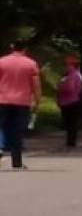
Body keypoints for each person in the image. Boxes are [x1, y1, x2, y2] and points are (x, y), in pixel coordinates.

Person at [0, 41, 41, 170]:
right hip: (22, 102)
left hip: (2, 100)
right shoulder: (31, 64)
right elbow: (36, 84)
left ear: (12, 48)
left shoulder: (2, 62)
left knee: (1, 127)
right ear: (25, 49)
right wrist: (37, 100)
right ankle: (16, 162)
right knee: (17, 132)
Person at [56, 54, 82, 149]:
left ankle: (71, 140)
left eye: (67, 65)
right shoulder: (70, 75)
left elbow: (69, 87)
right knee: (69, 122)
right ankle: (70, 139)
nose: (65, 67)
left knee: (71, 122)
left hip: (71, 101)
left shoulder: (73, 75)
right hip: (67, 101)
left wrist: (60, 88)